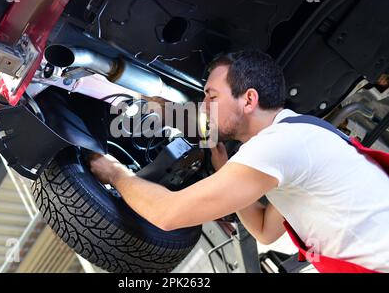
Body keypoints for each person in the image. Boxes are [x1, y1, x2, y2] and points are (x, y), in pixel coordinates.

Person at [87, 50, 389, 272]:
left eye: (212, 97)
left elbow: (168, 214)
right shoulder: (295, 136)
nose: (203, 107)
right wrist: (222, 165)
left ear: (248, 99)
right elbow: (263, 229)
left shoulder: (279, 145)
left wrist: (115, 173)